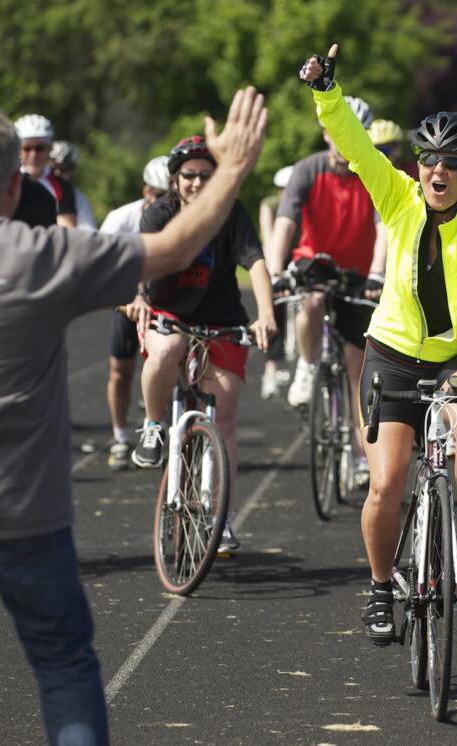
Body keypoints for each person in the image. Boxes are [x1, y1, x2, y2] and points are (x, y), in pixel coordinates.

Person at [0, 88, 267, 746]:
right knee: (63, 667)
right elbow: (173, 247)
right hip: (25, 505)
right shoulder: (45, 256)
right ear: (15, 183)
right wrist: (233, 168)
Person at [299, 44, 457, 644]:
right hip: (391, 353)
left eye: (452, 163)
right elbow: (356, 145)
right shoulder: (397, 199)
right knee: (386, 484)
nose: (437, 173)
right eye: (428, 161)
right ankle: (377, 586)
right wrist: (327, 93)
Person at [131, 135, 277, 555]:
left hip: (221, 321)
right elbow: (141, 260)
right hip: (169, 315)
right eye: (189, 176)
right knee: (168, 348)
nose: (197, 183)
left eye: (206, 177)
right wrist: (139, 296)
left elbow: (257, 263)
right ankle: (153, 426)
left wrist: (265, 315)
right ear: (175, 181)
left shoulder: (231, 213)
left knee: (224, 416)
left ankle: (221, 517)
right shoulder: (158, 214)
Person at [265, 95, 386, 488]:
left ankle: (358, 451)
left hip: (358, 271)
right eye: (336, 133)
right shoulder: (307, 170)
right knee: (312, 301)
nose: (342, 142)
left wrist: (378, 274)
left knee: (358, 366)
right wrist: (272, 272)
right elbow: (285, 223)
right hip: (314, 261)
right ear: (326, 133)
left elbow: (386, 227)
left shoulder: (373, 171)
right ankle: (307, 365)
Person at [99, 155, 171, 470]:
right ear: (145, 192)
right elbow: (98, 268)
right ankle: (120, 436)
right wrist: (124, 302)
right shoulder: (120, 219)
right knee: (121, 371)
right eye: (157, 195)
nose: (162, 203)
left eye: (169, 196)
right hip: (128, 300)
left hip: (168, 300)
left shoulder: (184, 219)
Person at [258, 165, 294, 400]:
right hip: (275, 260)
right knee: (275, 311)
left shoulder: (303, 203)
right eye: (282, 189)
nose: (285, 194)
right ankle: (270, 371)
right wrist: (274, 272)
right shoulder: (269, 205)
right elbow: (270, 237)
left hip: (299, 259)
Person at [13, 113, 79, 227]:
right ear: (18, 150)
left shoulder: (62, 186)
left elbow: (68, 228)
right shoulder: (6, 183)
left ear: (49, 149)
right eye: (27, 148)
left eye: (40, 148)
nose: (33, 155)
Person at [49, 140, 98, 229]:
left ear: (72, 172)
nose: (57, 173)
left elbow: (88, 232)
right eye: (53, 169)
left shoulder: (78, 198)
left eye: (63, 170)